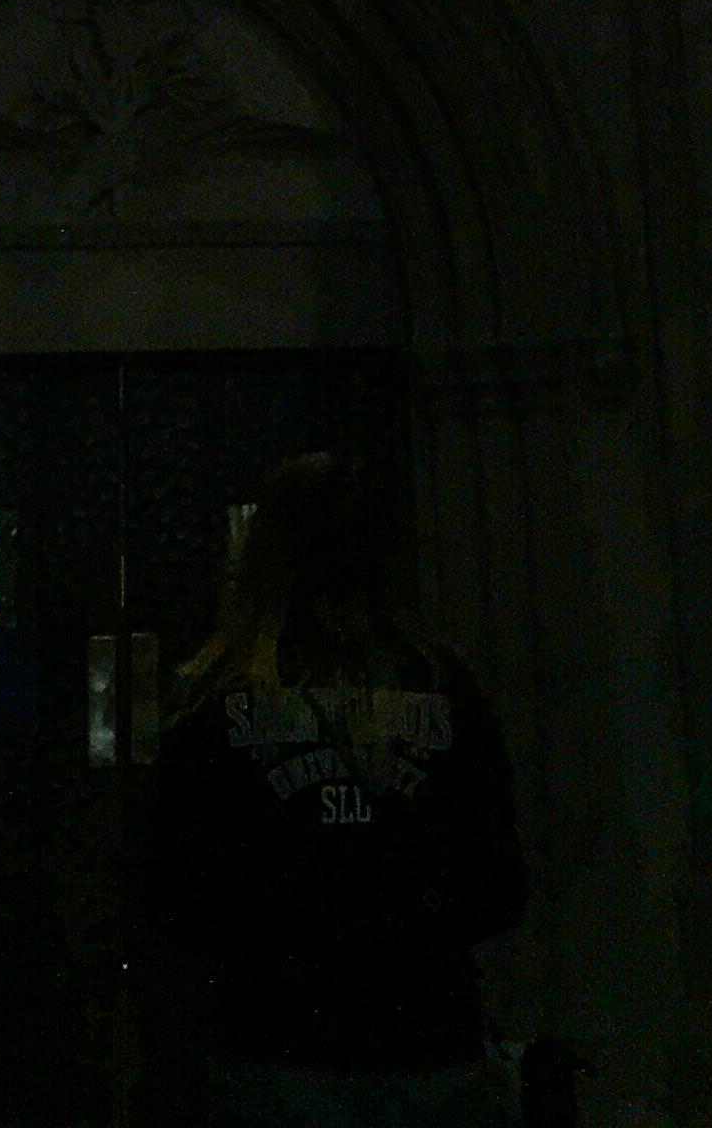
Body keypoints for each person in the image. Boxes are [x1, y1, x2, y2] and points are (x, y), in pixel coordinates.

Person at [146, 452, 528, 1128]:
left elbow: (179, 893)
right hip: (425, 1038)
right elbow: (498, 880)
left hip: (279, 1041)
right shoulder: (443, 685)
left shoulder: (214, 701)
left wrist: (290, 934)